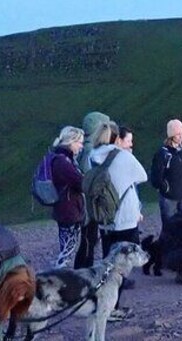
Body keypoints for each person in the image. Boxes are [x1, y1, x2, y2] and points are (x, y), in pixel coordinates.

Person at [90, 124, 148, 254]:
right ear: (117, 139)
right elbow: (143, 176)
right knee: (128, 258)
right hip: (125, 216)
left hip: (104, 214)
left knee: (109, 258)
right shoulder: (123, 156)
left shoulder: (93, 156)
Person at [74, 111, 110, 269]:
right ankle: (83, 272)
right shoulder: (90, 152)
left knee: (88, 239)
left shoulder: (85, 149)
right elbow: (91, 181)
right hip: (89, 207)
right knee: (89, 240)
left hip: (85, 205)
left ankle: (82, 270)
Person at [48, 126, 85, 268]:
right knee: (68, 250)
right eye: (79, 143)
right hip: (69, 211)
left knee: (67, 247)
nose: (81, 146)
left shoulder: (59, 159)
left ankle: (61, 276)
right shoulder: (63, 162)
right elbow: (80, 183)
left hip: (65, 209)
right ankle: (60, 276)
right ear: (71, 142)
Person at [150, 119, 182, 228]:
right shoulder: (163, 154)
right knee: (170, 227)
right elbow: (156, 176)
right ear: (171, 135)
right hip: (169, 197)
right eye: (178, 134)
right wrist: (164, 188)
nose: (181, 137)